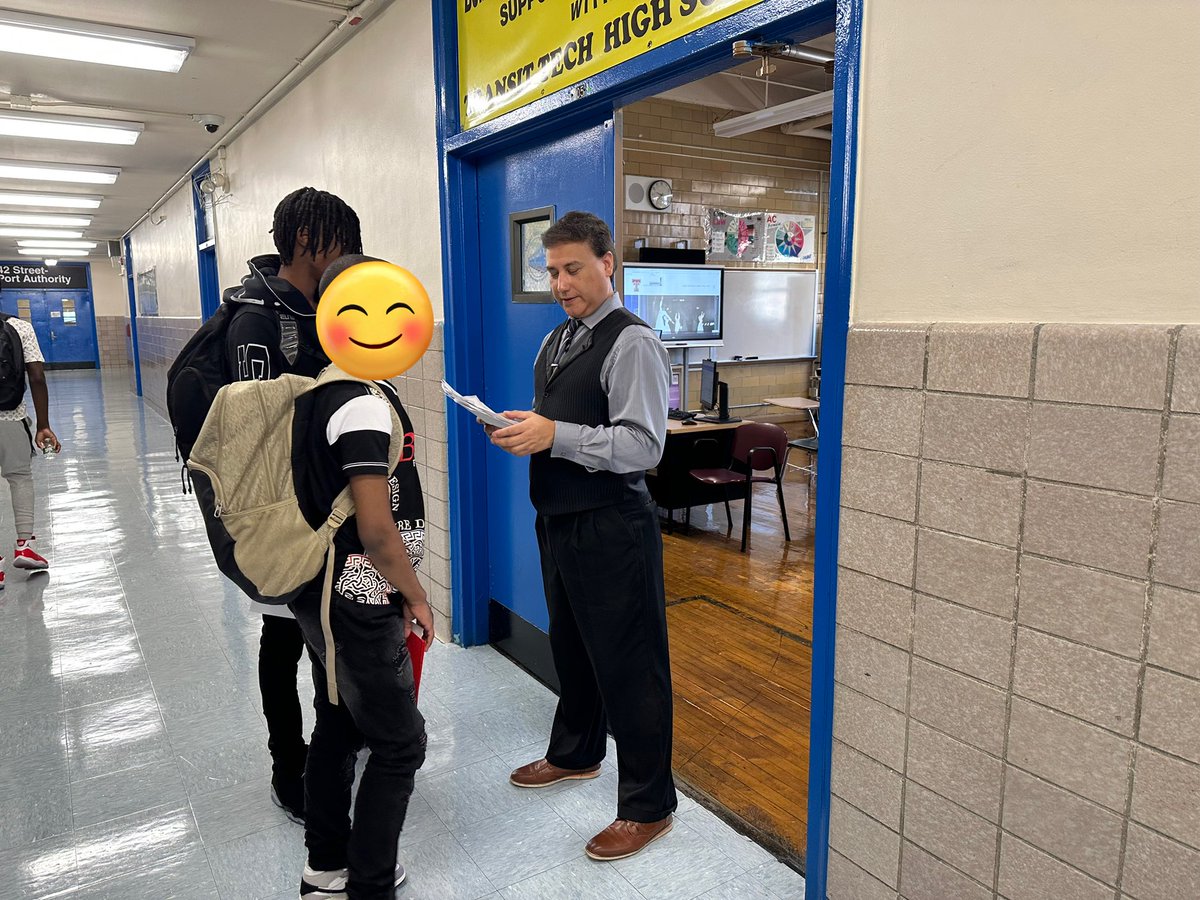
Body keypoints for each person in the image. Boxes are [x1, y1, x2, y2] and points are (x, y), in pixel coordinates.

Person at [487, 211, 677, 861]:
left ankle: (650, 805)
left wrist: (555, 436)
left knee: (631, 667)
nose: (561, 283)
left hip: (612, 525)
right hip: (560, 521)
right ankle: (575, 755)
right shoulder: (557, 342)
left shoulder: (633, 342)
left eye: (573, 268)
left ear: (608, 263)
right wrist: (528, 427)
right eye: (553, 270)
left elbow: (643, 446)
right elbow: (565, 422)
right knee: (574, 651)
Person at [291, 254, 432, 900]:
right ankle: (368, 885)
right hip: (353, 597)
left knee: (339, 720)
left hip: (320, 594)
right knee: (401, 745)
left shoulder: (324, 387)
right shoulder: (361, 407)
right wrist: (416, 593)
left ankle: (326, 864)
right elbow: (376, 531)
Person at [223, 186, 363, 822]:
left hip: (331, 509)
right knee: (285, 641)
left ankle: (332, 748)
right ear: (308, 242)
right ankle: (290, 767)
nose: (351, 259)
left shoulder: (323, 309)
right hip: (281, 515)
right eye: (341, 244)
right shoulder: (259, 317)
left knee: (328, 639)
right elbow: (255, 434)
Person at [0, 313, 60, 588]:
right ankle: (25, 546)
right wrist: (43, 425)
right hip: (10, 416)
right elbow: (36, 377)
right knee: (20, 477)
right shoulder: (20, 326)